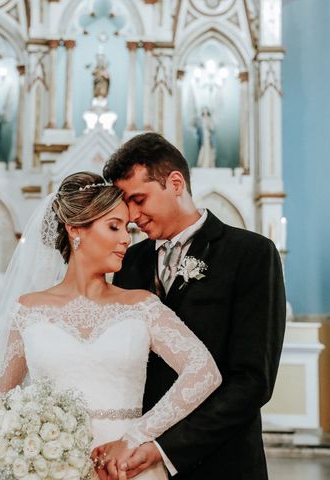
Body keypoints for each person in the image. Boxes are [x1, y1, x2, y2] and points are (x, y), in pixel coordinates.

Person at [0, 171, 221, 480]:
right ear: (75, 229)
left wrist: (134, 437)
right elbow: (0, 404)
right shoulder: (28, 310)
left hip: (126, 468)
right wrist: (30, 449)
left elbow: (204, 371)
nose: (126, 239)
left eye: (128, 229)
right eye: (114, 226)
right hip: (49, 470)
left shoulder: (143, 305)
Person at [102, 133, 286, 480]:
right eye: (126, 204)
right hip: (135, 464)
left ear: (174, 183)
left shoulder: (250, 254)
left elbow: (252, 380)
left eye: (139, 199)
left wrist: (163, 448)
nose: (131, 216)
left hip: (222, 462)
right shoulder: (128, 262)